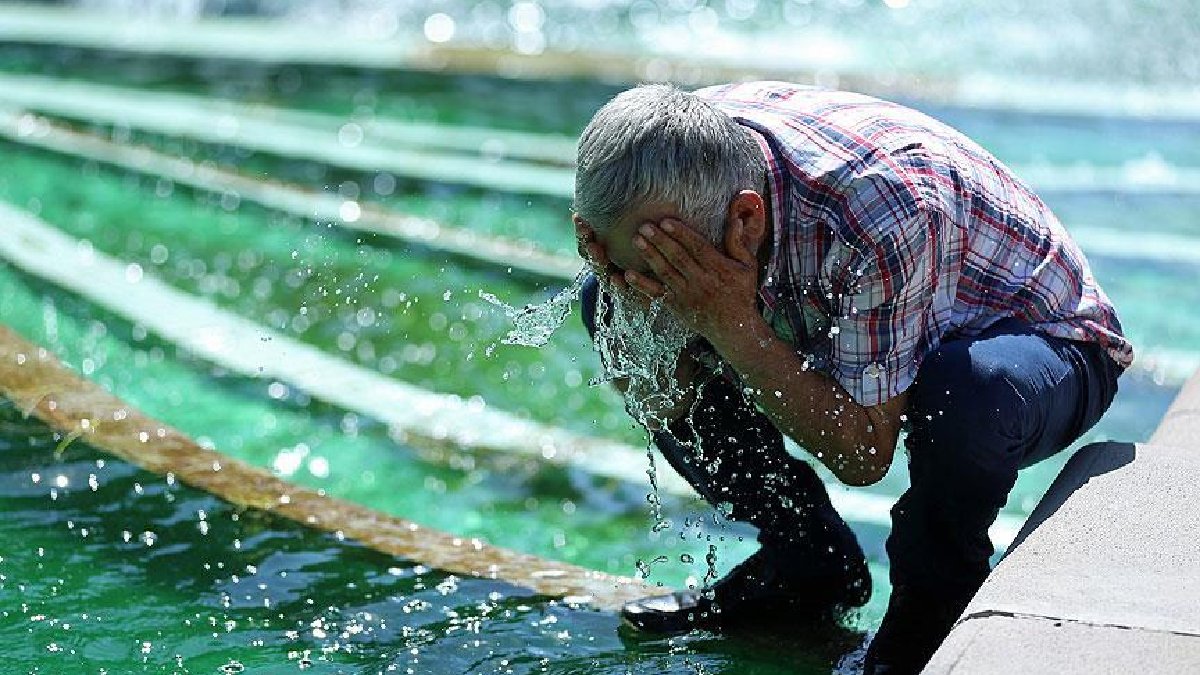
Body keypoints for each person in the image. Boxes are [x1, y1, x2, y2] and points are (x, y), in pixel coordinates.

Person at [571, 82, 1130, 674]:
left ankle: (927, 622)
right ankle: (807, 560)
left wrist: (728, 324)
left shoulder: (884, 209)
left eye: (663, 270)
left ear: (744, 219)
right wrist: (635, 308)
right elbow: (647, 349)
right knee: (610, 310)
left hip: (1047, 345)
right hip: (857, 301)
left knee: (964, 394)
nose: (641, 285)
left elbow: (864, 455)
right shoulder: (655, 156)